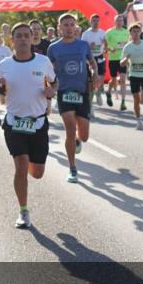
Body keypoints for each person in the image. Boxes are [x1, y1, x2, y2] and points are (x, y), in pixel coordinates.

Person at [0, 22, 58, 228]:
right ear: (13, 40)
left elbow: (54, 83)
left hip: (38, 123)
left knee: (37, 173)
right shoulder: (5, 65)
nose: (24, 39)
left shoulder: (43, 62)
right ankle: (23, 211)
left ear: (32, 39)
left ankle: (25, 171)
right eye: (19, 36)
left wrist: (51, 92)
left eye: (27, 35)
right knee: (21, 164)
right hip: (14, 123)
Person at [46, 14, 98, 183]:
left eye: (71, 24)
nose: (68, 28)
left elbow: (92, 62)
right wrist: (49, 86)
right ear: (59, 27)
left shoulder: (83, 45)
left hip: (82, 92)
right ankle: (73, 168)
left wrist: (96, 76)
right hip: (64, 92)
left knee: (83, 136)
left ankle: (77, 139)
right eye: (65, 25)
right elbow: (48, 69)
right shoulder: (53, 48)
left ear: (75, 27)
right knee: (69, 128)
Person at [120, 23, 143, 130]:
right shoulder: (128, 47)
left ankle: (142, 101)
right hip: (134, 74)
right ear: (130, 33)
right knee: (136, 99)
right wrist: (126, 59)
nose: (136, 33)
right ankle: (138, 120)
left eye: (137, 31)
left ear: (140, 32)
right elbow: (121, 63)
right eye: (133, 31)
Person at [81, 14, 109, 106]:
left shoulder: (102, 32)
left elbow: (106, 44)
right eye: (94, 21)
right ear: (90, 21)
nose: (96, 23)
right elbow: (82, 48)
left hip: (100, 56)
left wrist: (105, 45)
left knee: (101, 77)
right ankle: (92, 99)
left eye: (97, 21)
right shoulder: (86, 34)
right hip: (90, 58)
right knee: (92, 79)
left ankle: (98, 92)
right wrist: (90, 46)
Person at [105, 14, 130, 110]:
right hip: (113, 58)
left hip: (123, 59)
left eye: (121, 20)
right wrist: (111, 49)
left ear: (123, 22)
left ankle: (123, 102)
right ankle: (109, 91)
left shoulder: (126, 32)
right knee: (114, 80)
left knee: (123, 80)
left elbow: (129, 44)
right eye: (118, 21)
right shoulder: (110, 32)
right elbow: (105, 45)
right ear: (114, 22)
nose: (120, 22)